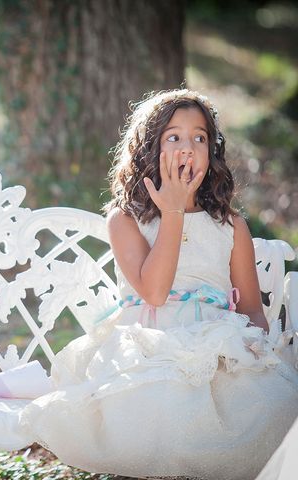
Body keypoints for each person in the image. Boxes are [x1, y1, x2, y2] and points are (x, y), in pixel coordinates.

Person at [19, 89, 298, 480]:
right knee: (163, 407)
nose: (188, 148)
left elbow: (251, 307)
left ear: (212, 151)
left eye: (199, 137)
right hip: (151, 347)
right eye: (174, 137)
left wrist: (254, 346)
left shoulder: (230, 225)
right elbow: (154, 292)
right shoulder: (126, 219)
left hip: (218, 348)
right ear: (149, 148)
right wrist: (172, 211)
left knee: (266, 412)